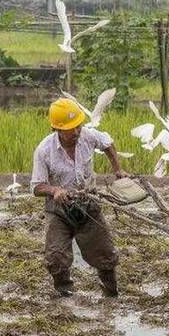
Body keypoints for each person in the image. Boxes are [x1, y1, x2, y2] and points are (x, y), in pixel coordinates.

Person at [31, 98, 127, 297]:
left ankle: (111, 292)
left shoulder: (88, 136)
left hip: (88, 205)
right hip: (59, 211)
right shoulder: (44, 151)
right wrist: (55, 191)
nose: (76, 132)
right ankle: (64, 294)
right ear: (56, 129)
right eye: (70, 129)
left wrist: (118, 170)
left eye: (78, 127)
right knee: (56, 258)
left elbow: (108, 144)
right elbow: (37, 187)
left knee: (105, 254)